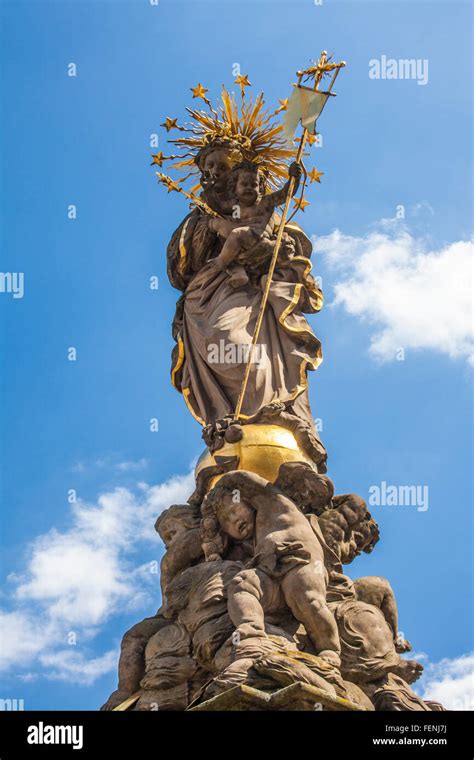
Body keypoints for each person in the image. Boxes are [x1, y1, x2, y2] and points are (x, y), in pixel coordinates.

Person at [201, 470, 341, 667]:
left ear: (247, 499)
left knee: (306, 598)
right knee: (242, 583)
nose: (233, 520)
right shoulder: (250, 543)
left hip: (300, 561)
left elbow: (245, 480)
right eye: (226, 521)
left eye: (234, 510)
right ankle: (252, 627)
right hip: (270, 572)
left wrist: (218, 483)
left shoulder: (272, 502)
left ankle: (329, 648)